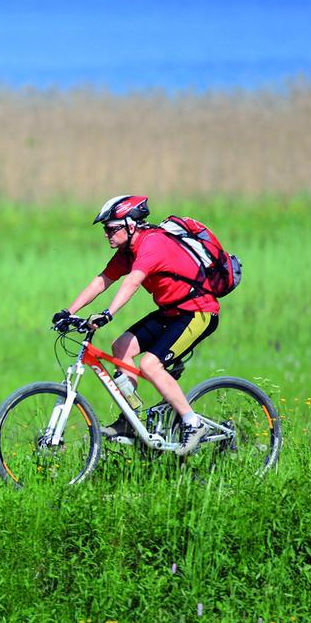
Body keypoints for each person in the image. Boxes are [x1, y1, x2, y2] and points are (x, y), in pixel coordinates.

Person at [53, 195, 219, 456]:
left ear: (130, 225)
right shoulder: (127, 252)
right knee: (121, 348)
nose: (106, 234)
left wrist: (108, 313)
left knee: (150, 365)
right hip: (170, 312)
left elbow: (131, 282)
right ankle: (130, 420)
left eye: (111, 228)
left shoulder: (152, 245)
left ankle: (193, 423)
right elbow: (102, 281)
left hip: (197, 311)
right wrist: (68, 312)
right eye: (105, 229)